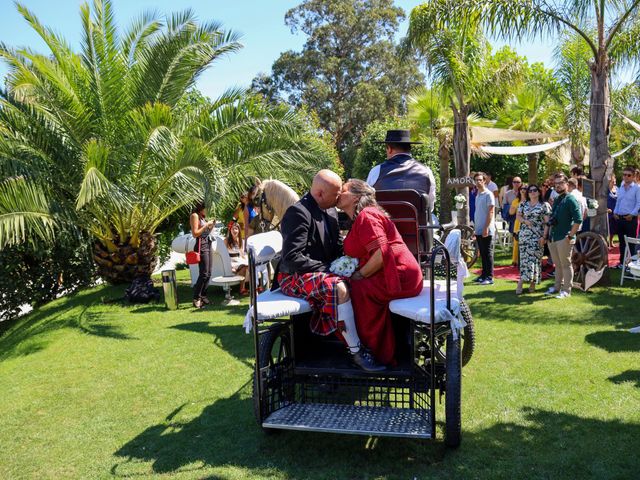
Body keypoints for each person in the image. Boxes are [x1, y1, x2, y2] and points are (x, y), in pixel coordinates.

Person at [278, 169, 384, 372]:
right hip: (293, 276)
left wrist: (351, 264)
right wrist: (330, 270)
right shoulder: (298, 212)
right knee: (339, 288)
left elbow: (336, 247)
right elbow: (292, 258)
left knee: (363, 280)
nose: (339, 199)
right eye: (336, 194)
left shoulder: (330, 210)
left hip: (319, 273)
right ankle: (356, 352)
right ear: (320, 194)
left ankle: (369, 339)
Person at [337, 179, 423, 366]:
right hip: (394, 272)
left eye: (343, 189)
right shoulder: (364, 216)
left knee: (356, 289)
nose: (338, 192)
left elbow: (381, 253)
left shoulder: (367, 216)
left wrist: (360, 274)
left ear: (355, 197)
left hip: (399, 276)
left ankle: (373, 352)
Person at [366, 129, 436, 211]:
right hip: (417, 223)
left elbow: (367, 201)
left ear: (389, 149)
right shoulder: (426, 171)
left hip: (383, 223)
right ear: (409, 149)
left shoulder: (376, 171)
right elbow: (430, 206)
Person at [543, 173, 582, 299]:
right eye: (556, 184)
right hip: (554, 236)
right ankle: (557, 287)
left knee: (566, 264)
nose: (558, 186)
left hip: (565, 237)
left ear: (567, 184)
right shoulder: (558, 199)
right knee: (558, 265)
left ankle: (567, 290)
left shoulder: (570, 199)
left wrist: (570, 236)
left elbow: (578, 219)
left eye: (560, 183)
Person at [516, 184, 551, 294]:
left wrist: (544, 237)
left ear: (539, 192)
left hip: (537, 236)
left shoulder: (544, 205)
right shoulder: (523, 204)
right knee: (524, 260)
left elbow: (547, 223)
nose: (532, 192)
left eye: (535, 190)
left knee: (535, 260)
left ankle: (532, 283)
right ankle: (521, 282)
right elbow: (518, 216)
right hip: (524, 236)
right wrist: (525, 221)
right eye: (530, 190)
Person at [613, 165, 640, 267]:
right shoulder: (621, 187)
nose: (626, 177)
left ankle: (632, 265)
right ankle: (622, 263)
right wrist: (615, 212)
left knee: (631, 244)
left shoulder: (637, 188)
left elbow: (638, 204)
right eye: (624, 175)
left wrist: (632, 215)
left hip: (630, 219)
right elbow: (618, 201)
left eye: (629, 175)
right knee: (622, 243)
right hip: (619, 218)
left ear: (633, 176)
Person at [190, 203, 215, 309]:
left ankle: (203, 296)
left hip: (208, 244)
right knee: (204, 273)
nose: (207, 211)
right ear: (201, 208)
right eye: (206, 208)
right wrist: (206, 225)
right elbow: (195, 233)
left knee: (208, 273)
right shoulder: (194, 216)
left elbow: (206, 232)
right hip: (201, 245)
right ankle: (196, 298)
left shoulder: (203, 217)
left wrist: (211, 225)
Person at [473, 172, 495, 285]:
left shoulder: (488, 194)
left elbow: (491, 212)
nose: (478, 182)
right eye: (476, 180)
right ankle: (483, 275)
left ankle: (489, 277)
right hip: (479, 228)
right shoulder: (478, 194)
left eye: (480, 180)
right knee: (482, 253)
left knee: (487, 253)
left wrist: (486, 228)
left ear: (484, 181)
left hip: (487, 229)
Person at [225, 222, 248, 295]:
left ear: (239, 230)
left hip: (239, 260)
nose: (234, 231)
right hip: (231, 260)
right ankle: (242, 289)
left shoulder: (241, 240)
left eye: (236, 229)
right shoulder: (226, 240)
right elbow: (225, 254)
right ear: (230, 230)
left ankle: (255, 286)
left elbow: (242, 254)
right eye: (233, 229)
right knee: (243, 266)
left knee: (247, 265)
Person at [509, 183, 527, 266]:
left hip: (527, 223)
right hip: (518, 223)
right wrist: (517, 206)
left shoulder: (530, 201)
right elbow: (511, 212)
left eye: (525, 189)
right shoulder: (516, 201)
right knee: (516, 243)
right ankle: (515, 261)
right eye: (521, 189)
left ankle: (524, 260)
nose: (523, 190)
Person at [607, 173, 618, 247]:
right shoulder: (605, 190)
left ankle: (611, 241)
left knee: (614, 228)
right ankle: (607, 242)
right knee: (609, 228)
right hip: (609, 212)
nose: (614, 183)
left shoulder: (618, 189)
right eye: (612, 181)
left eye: (614, 181)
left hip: (616, 212)